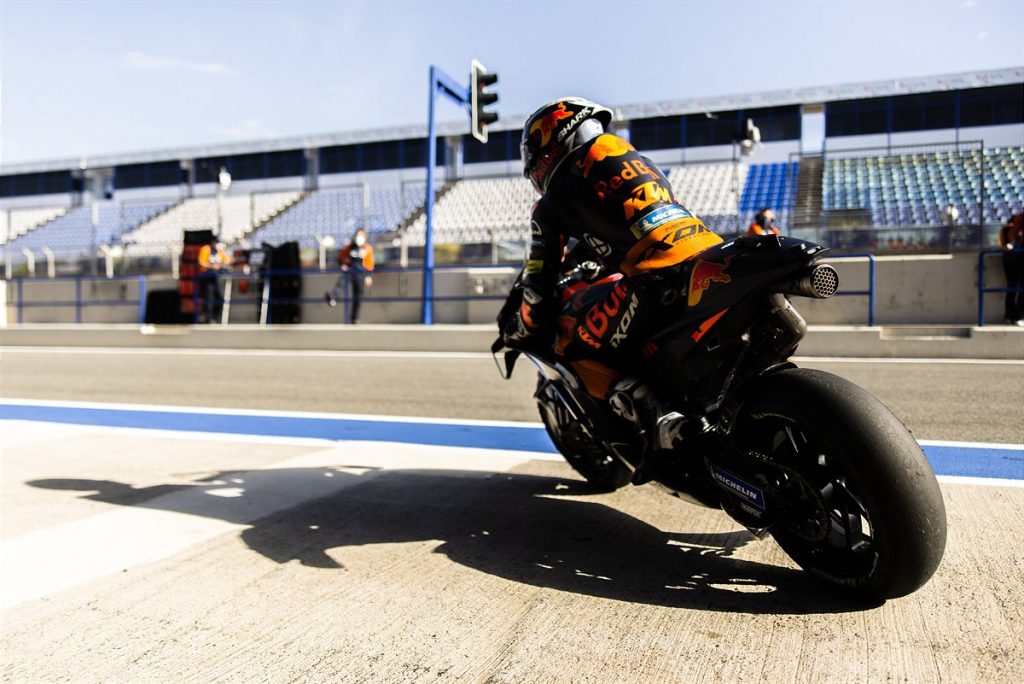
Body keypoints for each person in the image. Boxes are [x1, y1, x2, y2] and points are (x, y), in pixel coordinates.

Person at [504, 97, 725, 482]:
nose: (536, 170)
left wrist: (527, 324)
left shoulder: (554, 197)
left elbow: (540, 278)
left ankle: (660, 416)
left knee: (570, 347)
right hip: (711, 259)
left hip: (655, 279)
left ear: (554, 141)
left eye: (537, 159)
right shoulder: (639, 162)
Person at [325, 228, 375, 324]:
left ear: (365, 237)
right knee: (341, 283)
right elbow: (340, 258)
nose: (359, 237)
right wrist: (343, 264)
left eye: (361, 235)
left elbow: (370, 264)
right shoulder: (350, 247)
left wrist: (368, 276)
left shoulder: (368, 248)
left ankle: (355, 318)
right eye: (358, 234)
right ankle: (333, 298)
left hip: (361, 273)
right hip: (350, 270)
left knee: (358, 296)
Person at [998, 211, 1024, 326]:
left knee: (1014, 288)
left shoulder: (1008, 229)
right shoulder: (1007, 230)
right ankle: (1013, 316)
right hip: (1013, 260)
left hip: (1013, 259)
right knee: (1014, 287)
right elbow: (1007, 243)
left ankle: (1014, 316)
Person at [197, 239, 231, 323]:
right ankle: (208, 317)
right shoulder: (206, 249)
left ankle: (214, 318)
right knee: (208, 298)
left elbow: (227, 261)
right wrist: (212, 266)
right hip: (207, 277)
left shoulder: (220, 251)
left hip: (217, 278)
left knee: (219, 297)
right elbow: (201, 262)